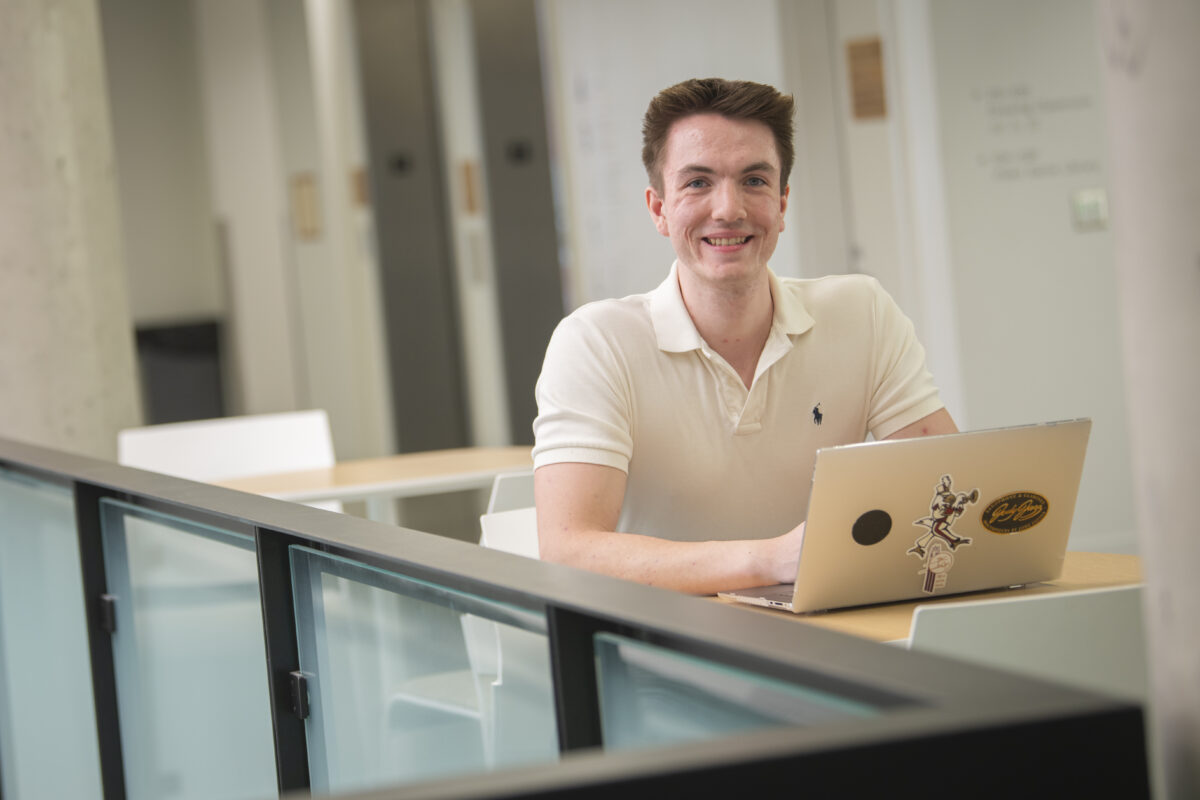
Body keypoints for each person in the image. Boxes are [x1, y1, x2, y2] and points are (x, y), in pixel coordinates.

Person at [531, 77, 957, 595]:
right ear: (659, 209)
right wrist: (772, 560)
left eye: (754, 180)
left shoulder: (862, 311)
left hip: (833, 631)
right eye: (697, 182)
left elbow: (944, 485)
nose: (728, 209)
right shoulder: (595, 342)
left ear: (782, 204)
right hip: (661, 652)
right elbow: (569, 549)